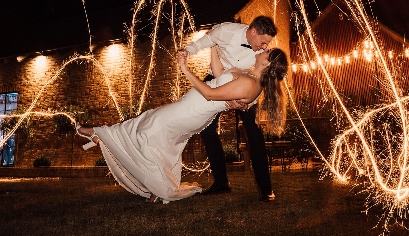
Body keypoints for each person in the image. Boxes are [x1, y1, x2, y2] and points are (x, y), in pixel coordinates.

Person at [76, 47, 288, 204]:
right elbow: (218, 75)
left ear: (267, 63)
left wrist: (185, 69)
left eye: (266, 51)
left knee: (148, 129)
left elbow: (209, 93)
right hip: (191, 107)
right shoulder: (249, 75)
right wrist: (213, 42)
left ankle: (99, 134)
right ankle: (103, 139)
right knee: (149, 126)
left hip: (194, 110)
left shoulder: (251, 83)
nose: (262, 49)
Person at [179, 16, 278, 201]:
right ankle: (221, 182)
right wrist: (186, 51)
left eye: (267, 44)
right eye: (263, 42)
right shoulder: (225, 31)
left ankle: (265, 188)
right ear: (253, 31)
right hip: (218, 77)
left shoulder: (263, 52)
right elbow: (205, 41)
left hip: (246, 83)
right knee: (207, 129)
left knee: (254, 132)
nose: (265, 47)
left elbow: (264, 75)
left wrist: (247, 101)